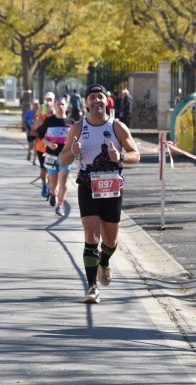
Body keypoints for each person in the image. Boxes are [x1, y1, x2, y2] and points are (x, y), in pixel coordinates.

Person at [59, 84, 140, 304]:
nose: (96, 101)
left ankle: (104, 262)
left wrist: (121, 157)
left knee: (111, 240)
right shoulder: (78, 127)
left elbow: (136, 154)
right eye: (92, 97)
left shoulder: (117, 126)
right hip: (87, 184)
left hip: (112, 184)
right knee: (91, 233)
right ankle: (92, 286)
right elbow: (63, 159)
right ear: (86, 102)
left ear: (107, 101)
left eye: (100, 97)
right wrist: (72, 152)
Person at [36, 96, 74, 216]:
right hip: (51, 156)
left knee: (63, 182)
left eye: (62, 104)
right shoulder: (49, 120)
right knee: (53, 183)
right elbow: (40, 134)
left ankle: (59, 206)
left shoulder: (71, 122)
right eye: (58, 104)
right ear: (54, 106)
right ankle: (53, 193)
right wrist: (48, 143)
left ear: (66, 106)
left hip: (65, 157)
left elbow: (78, 137)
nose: (60, 107)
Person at [32, 95, 55, 198]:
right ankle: (44, 184)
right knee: (43, 169)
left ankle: (51, 186)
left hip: (54, 148)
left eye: (50, 100)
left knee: (52, 169)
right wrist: (39, 123)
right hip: (41, 146)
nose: (48, 102)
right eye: (47, 100)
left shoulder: (57, 115)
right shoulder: (42, 113)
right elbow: (33, 129)